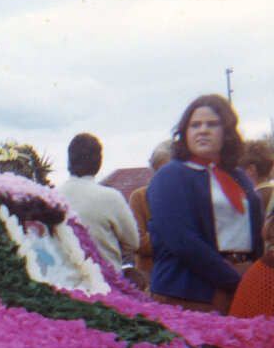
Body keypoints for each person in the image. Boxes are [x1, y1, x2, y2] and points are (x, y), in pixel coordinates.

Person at [147, 94, 263, 314]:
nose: (203, 130)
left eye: (212, 124)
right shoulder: (171, 175)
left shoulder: (236, 176)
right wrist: (237, 280)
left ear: (227, 131)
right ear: (185, 132)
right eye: (195, 125)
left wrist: (255, 275)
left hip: (240, 282)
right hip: (191, 292)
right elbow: (184, 242)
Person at [58, 133, 138, 272]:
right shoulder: (111, 197)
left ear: (70, 160)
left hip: (64, 283)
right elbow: (133, 243)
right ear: (99, 162)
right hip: (106, 284)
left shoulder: (52, 196)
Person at [128, 140, 172, 281]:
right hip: (149, 277)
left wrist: (153, 237)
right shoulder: (139, 197)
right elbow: (137, 243)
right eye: (161, 172)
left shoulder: (190, 196)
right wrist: (179, 239)